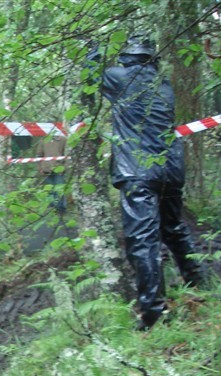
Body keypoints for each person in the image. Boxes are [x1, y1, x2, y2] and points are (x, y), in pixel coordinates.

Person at [88, 35, 207, 330]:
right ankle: (200, 284)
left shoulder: (119, 76)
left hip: (137, 171)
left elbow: (90, 78)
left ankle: (154, 313)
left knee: (143, 242)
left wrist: (93, 50)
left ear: (127, 55)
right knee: (174, 229)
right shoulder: (162, 84)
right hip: (170, 170)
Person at [36, 135, 67, 213]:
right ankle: (53, 206)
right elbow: (39, 154)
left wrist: (64, 167)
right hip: (46, 168)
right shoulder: (43, 139)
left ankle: (61, 207)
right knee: (50, 189)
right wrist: (40, 168)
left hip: (59, 168)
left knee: (60, 188)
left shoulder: (63, 140)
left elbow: (67, 154)